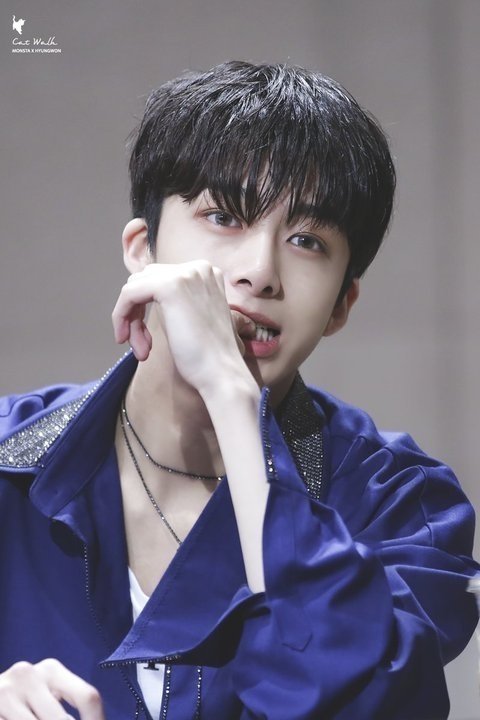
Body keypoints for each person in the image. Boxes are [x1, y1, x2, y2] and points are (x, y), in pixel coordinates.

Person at [0, 60, 477, 720]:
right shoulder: (9, 457)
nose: (259, 272)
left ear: (341, 305)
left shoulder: (399, 503)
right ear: (142, 249)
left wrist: (233, 400)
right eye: (223, 216)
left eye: (307, 240)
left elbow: (356, 698)